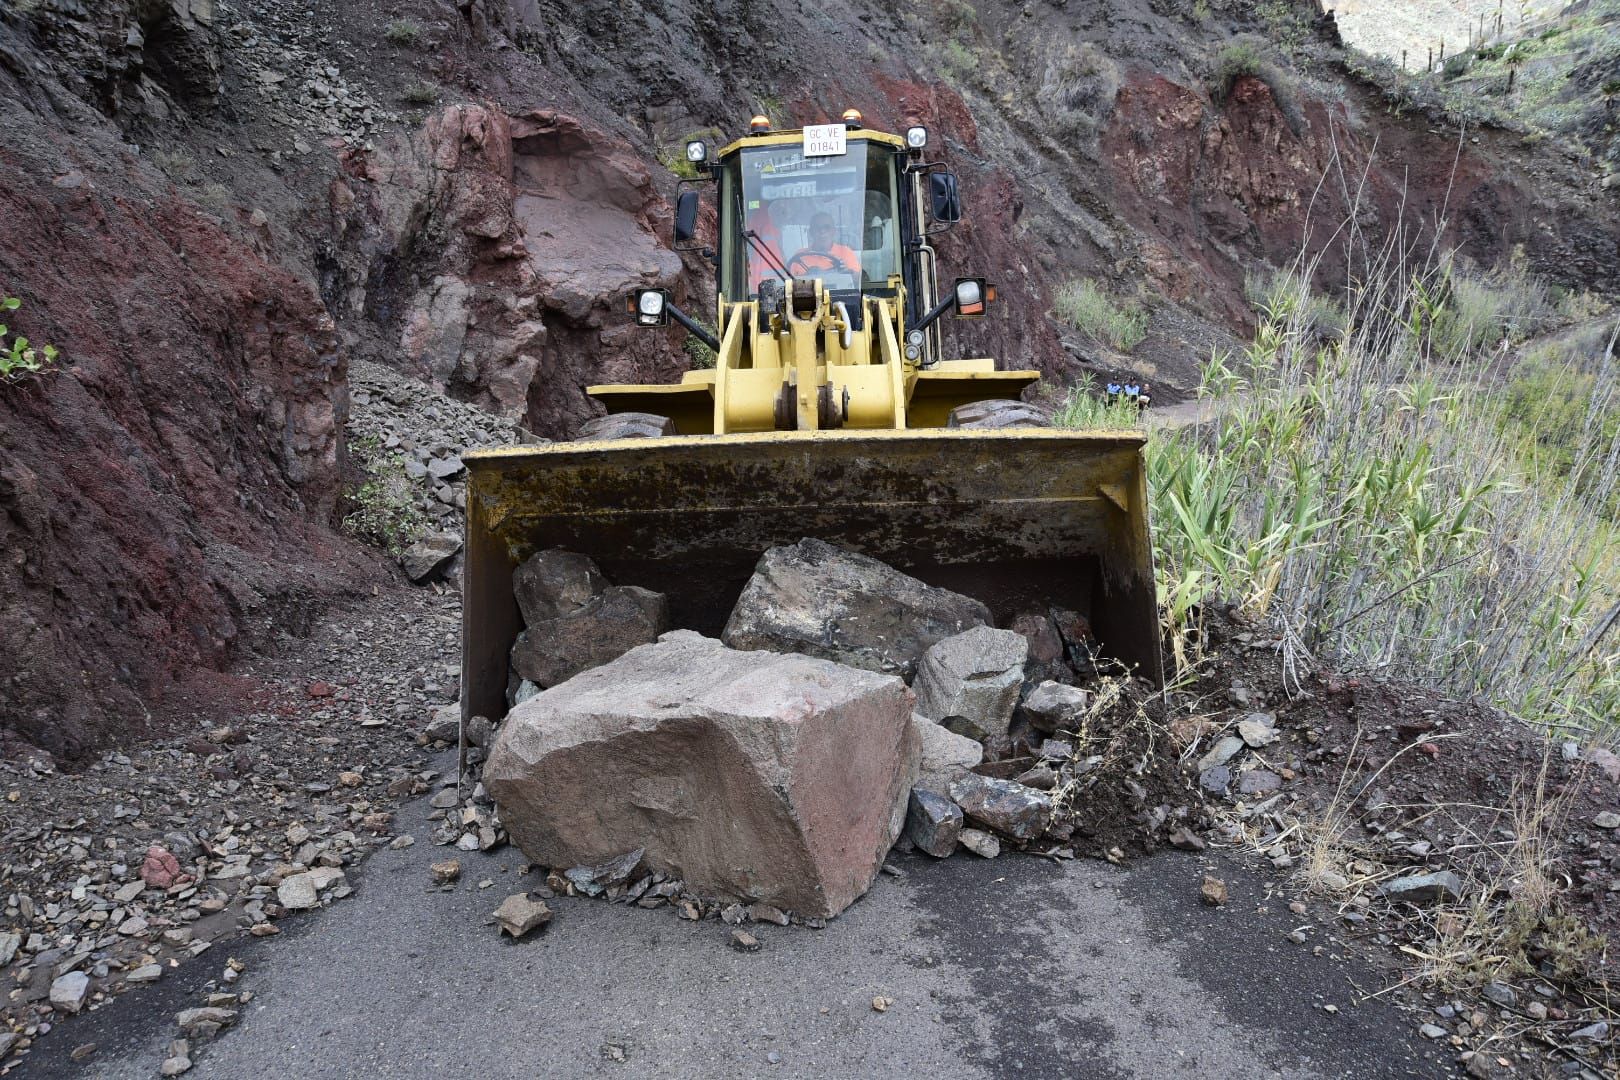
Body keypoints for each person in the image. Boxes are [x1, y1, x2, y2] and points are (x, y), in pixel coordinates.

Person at [787, 212, 860, 279]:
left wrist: (846, 272)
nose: (822, 231)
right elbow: (788, 281)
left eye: (827, 227)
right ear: (811, 232)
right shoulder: (799, 255)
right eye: (817, 228)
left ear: (834, 231)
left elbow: (857, 278)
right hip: (806, 293)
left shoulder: (845, 252)